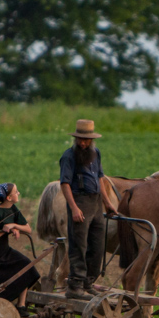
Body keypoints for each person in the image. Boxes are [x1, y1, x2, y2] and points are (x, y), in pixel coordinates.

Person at [59, 119, 118, 298]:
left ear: (92, 140)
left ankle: (88, 282)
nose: (83, 143)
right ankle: (75, 286)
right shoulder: (69, 156)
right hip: (80, 201)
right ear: (75, 139)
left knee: (98, 245)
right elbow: (65, 184)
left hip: (96, 203)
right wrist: (74, 208)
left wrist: (107, 203)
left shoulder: (96, 153)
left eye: (86, 140)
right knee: (79, 245)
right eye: (80, 139)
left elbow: (100, 179)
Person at [0, 183, 40, 317]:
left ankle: (21, 305)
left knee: (26, 266)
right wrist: (3, 231)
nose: (18, 194)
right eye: (16, 192)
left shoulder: (13, 209)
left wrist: (14, 226)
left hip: (4, 251)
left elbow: (28, 229)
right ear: (9, 198)